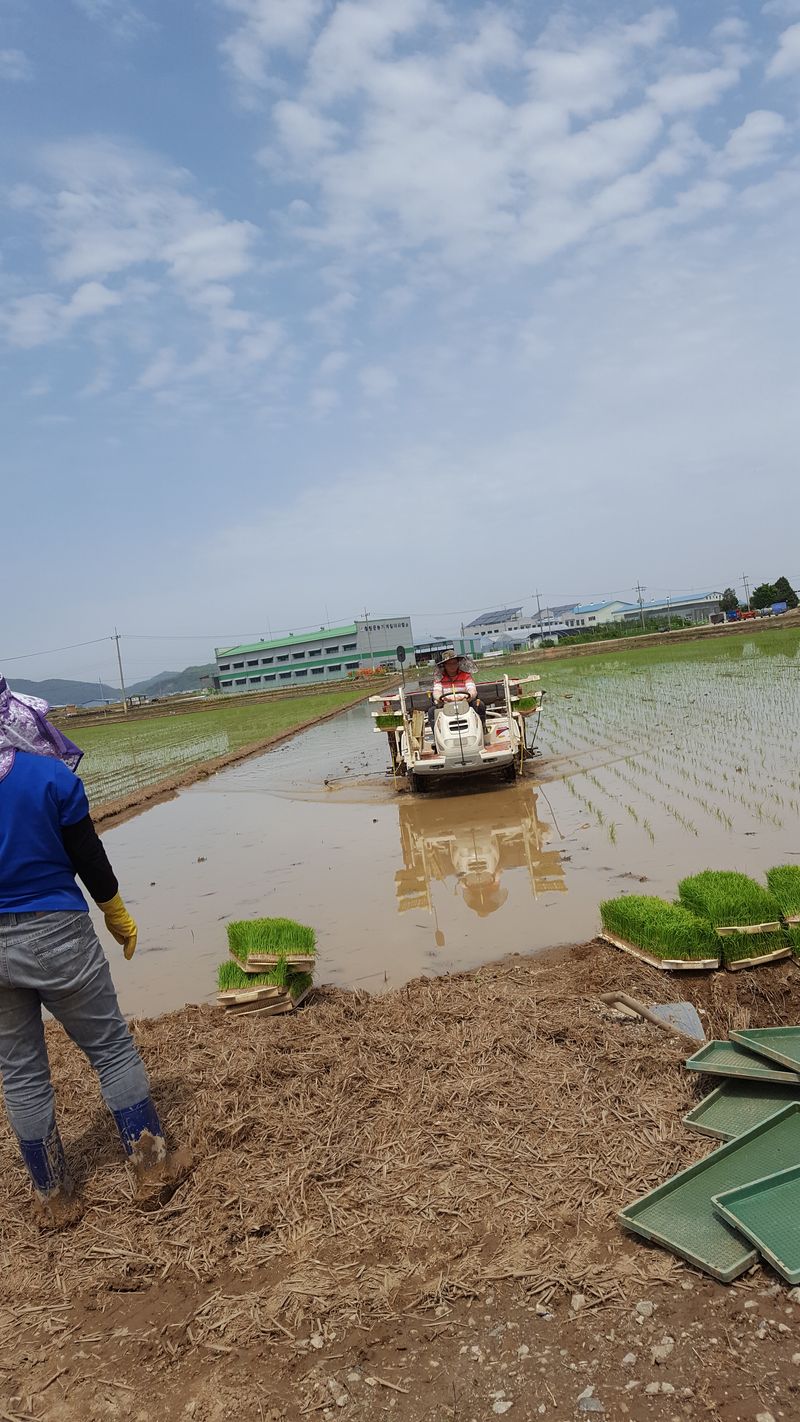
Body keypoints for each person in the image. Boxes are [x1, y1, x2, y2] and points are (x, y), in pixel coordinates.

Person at [0, 677, 183, 1226]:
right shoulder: (50, 777)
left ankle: (53, 1197)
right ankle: (152, 1169)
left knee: (21, 1074)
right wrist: (115, 910)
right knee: (110, 1049)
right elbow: (89, 859)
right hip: (57, 935)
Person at [429, 652, 487, 740]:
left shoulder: (466, 675)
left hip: (465, 702)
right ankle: (437, 737)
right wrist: (441, 698)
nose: (452, 666)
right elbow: (436, 692)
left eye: (454, 663)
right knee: (431, 711)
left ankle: (482, 730)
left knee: (480, 705)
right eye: (449, 664)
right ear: (444, 665)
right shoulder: (439, 678)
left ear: (458, 663)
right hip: (446, 704)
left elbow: (472, 689)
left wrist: (469, 696)